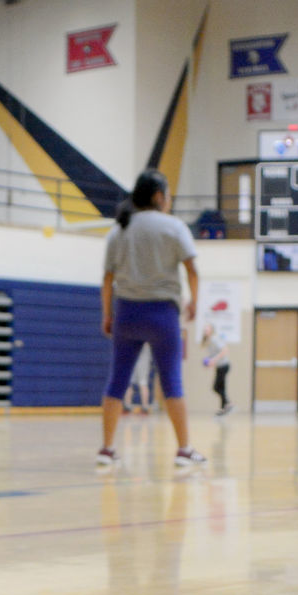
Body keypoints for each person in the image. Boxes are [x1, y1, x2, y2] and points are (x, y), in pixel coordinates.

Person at [98, 170, 205, 469]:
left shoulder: (119, 230)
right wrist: (195, 301)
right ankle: (184, 449)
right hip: (162, 314)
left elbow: (107, 278)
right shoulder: (174, 227)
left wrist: (107, 314)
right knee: (171, 380)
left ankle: (106, 449)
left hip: (127, 312)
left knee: (117, 381)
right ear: (158, 196)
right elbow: (193, 270)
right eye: (168, 194)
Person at [200, 323, 232, 416]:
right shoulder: (209, 341)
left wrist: (213, 360)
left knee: (216, 387)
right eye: (205, 329)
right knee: (221, 388)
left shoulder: (215, 339)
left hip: (224, 366)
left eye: (207, 329)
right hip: (219, 367)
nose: (205, 331)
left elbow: (225, 350)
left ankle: (228, 403)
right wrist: (209, 363)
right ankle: (223, 409)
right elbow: (213, 355)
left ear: (211, 331)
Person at [126, 344, 154, 415]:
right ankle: (127, 407)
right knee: (130, 383)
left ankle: (144, 408)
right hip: (133, 360)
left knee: (142, 383)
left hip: (141, 361)